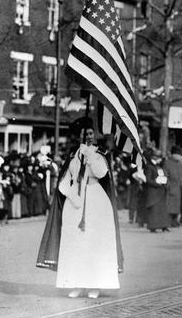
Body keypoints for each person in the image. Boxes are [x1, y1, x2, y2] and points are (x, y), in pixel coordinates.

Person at [37, 116, 123, 299]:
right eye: (86, 134)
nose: (89, 136)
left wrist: (90, 155)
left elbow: (101, 173)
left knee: (94, 243)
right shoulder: (73, 156)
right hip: (76, 203)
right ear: (79, 136)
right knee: (76, 245)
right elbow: (64, 181)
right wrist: (71, 196)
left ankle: (95, 285)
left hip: (95, 200)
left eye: (91, 133)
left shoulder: (99, 154)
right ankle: (76, 283)